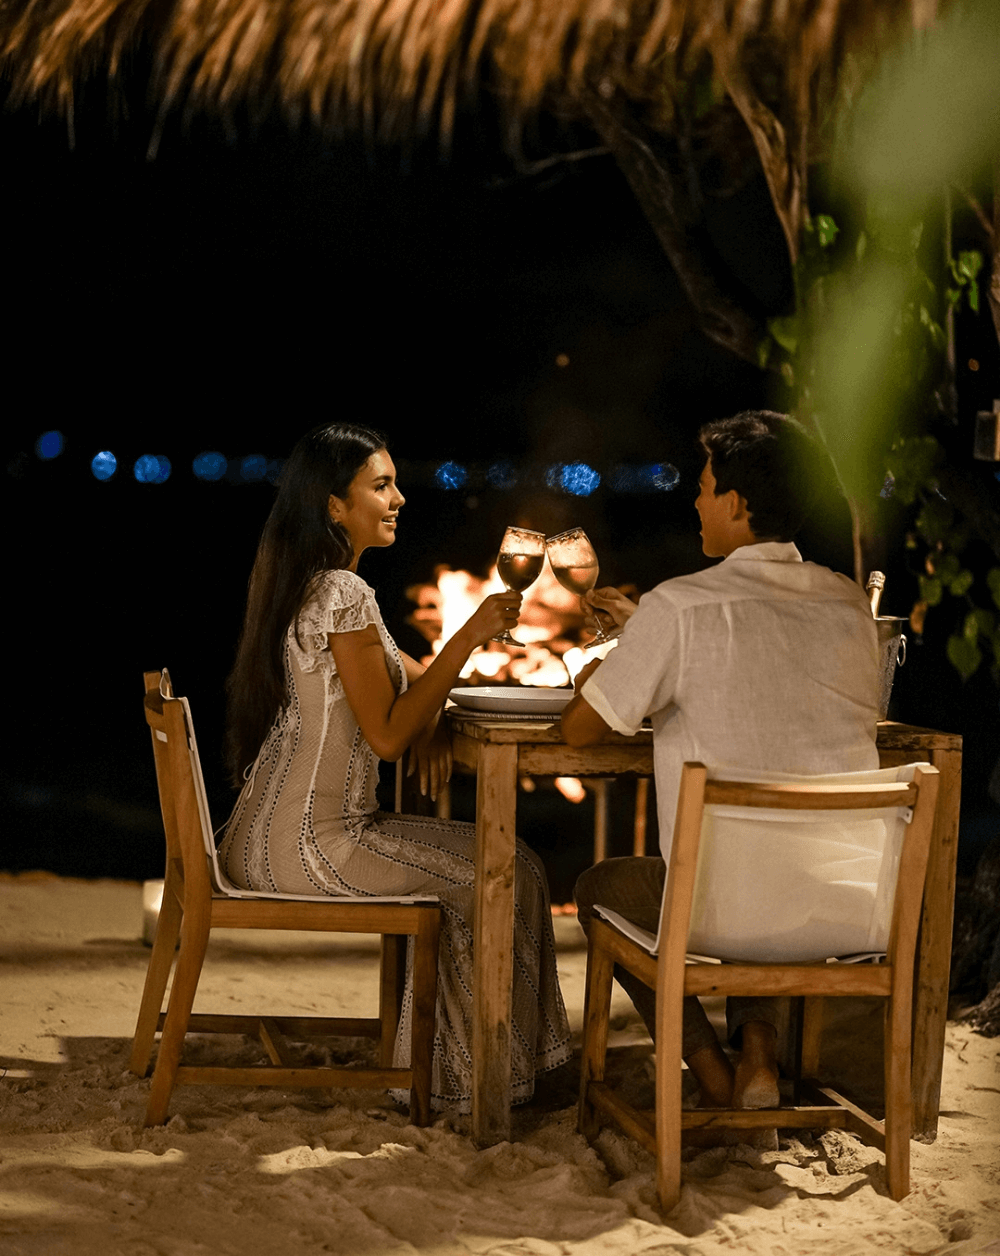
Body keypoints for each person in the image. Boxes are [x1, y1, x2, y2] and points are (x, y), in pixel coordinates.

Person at [220, 423, 571, 1113]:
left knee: (516, 861)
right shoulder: (344, 595)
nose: (400, 498)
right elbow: (387, 736)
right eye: (380, 486)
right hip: (311, 847)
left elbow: (408, 686)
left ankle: (514, 1069)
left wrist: (435, 703)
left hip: (263, 837)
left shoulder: (316, 586)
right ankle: (461, 1081)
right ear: (332, 505)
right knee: (491, 874)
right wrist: (470, 634)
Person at [562, 410, 880, 1111]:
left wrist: (607, 658)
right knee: (763, 865)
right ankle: (759, 1054)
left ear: (737, 503)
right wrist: (642, 633)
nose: (696, 500)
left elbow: (583, 728)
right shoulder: (853, 607)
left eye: (705, 486)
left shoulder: (680, 606)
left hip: (721, 911)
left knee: (603, 887)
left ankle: (707, 1069)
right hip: (849, 906)